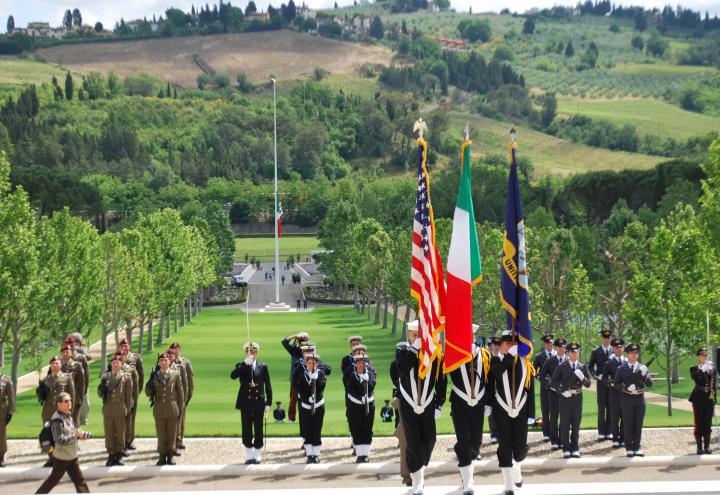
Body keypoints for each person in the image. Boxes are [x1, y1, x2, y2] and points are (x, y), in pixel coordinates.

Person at [395, 320, 447, 495]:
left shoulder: (434, 353)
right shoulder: (403, 350)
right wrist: (414, 349)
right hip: (409, 402)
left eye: (420, 335)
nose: (417, 337)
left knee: (430, 438)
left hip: (427, 402)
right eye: (414, 334)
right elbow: (401, 369)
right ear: (410, 335)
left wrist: (439, 404)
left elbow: (441, 380)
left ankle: (420, 466)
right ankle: (418, 480)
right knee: (413, 442)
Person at [448, 324, 493, 495]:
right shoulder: (454, 354)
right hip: (460, 404)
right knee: (464, 441)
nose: (470, 338)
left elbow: (489, 381)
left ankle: (468, 475)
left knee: (476, 442)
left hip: (479, 405)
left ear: (475, 337)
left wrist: (488, 402)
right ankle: (468, 481)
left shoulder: (485, 355)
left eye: (472, 336)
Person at [491, 331, 534, 495]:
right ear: (501, 346)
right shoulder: (496, 360)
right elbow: (497, 372)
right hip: (502, 410)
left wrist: (531, 413)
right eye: (507, 344)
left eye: (513, 344)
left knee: (520, 446)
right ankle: (508, 484)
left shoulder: (524, 363)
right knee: (505, 446)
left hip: (521, 410)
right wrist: (509, 356)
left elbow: (528, 389)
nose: (510, 346)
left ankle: (517, 468)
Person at [34, 392, 90, 494]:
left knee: (79, 480)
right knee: (53, 480)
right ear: (59, 404)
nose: (69, 403)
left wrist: (82, 435)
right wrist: (75, 435)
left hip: (71, 455)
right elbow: (59, 439)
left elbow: (71, 432)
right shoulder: (57, 420)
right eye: (66, 401)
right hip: (62, 457)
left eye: (70, 401)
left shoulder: (68, 416)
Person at [231, 341, 272, 464]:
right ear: (245, 352)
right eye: (249, 352)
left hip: (259, 402)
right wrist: (245, 364)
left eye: (254, 351)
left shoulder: (263, 367)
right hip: (246, 403)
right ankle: (249, 454)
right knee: (247, 429)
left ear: (257, 353)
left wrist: (268, 403)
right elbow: (233, 376)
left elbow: (268, 386)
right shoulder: (241, 365)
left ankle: (257, 453)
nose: (252, 354)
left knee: (258, 429)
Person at [550, 343, 591, 458]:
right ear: (568, 353)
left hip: (577, 397)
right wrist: (562, 391)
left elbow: (588, 384)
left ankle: (575, 448)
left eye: (576, 351)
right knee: (565, 423)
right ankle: (566, 448)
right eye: (572, 352)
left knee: (576, 423)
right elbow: (553, 382)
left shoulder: (582, 367)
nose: (574, 353)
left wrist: (583, 378)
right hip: (565, 398)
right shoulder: (562, 366)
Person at [145, 352, 185, 466]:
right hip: (159, 408)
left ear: (169, 362)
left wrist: (180, 407)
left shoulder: (175, 375)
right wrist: (150, 384)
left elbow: (180, 393)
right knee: (161, 433)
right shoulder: (155, 375)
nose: (163, 362)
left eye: (165, 360)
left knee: (172, 433)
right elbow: (148, 393)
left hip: (172, 407)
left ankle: (170, 455)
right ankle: (162, 455)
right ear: (159, 362)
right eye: (161, 360)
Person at [613, 343, 652, 457]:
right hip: (627, 398)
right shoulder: (622, 368)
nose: (634, 355)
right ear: (628, 354)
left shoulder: (642, 368)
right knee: (628, 423)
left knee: (638, 423)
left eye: (636, 353)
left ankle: (637, 447)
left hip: (639, 398)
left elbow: (650, 384)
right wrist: (625, 388)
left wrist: (644, 376)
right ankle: (629, 447)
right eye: (631, 353)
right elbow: (616, 384)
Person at [38, 356, 76, 467]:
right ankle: (51, 458)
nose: (55, 365)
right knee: (49, 436)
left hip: (62, 411)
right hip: (48, 411)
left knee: (62, 435)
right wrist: (40, 392)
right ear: (50, 365)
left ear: (60, 365)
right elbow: (42, 398)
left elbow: (71, 395)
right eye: (53, 363)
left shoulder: (67, 378)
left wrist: (70, 411)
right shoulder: (45, 380)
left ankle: (63, 459)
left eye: (57, 363)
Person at [98, 354, 133, 466]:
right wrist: (101, 389)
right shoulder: (106, 377)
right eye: (113, 363)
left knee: (120, 432)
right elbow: (100, 394)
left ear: (121, 364)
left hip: (120, 408)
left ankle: (119, 455)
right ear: (111, 364)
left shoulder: (126, 377)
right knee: (109, 433)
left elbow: (128, 395)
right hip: (108, 408)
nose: (115, 364)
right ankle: (111, 455)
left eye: (118, 363)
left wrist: (127, 409)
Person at [293, 351, 327, 463]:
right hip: (306, 406)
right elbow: (299, 389)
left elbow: (322, 387)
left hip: (318, 405)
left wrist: (315, 379)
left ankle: (315, 455)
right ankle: (309, 455)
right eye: (309, 363)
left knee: (316, 430)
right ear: (306, 363)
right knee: (307, 431)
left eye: (313, 363)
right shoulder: (302, 376)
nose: (311, 365)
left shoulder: (320, 374)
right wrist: (307, 398)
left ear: (316, 364)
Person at [344, 351, 376, 463]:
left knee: (367, 428)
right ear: (356, 364)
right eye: (359, 362)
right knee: (356, 428)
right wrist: (360, 395)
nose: (361, 364)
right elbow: (350, 389)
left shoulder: (371, 373)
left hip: (369, 404)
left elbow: (371, 387)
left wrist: (365, 379)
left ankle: (365, 454)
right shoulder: (352, 375)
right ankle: (359, 454)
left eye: (363, 362)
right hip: (355, 405)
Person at [539, 338, 566, 450]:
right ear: (556, 348)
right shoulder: (550, 361)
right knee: (554, 417)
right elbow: (542, 376)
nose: (561, 349)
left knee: (565, 417)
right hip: (553, 393)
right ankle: (555, 441)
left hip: (566, 394)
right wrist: (550, 384)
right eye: (559, 347)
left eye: (563, 347)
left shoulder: (569, 360)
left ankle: (563, 440)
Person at [117, 338, 143, 452]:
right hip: (119, 395)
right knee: (120, 419)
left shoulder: (136, 358)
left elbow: (141, 375)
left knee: (131, 418)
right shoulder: (116, 358)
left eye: (125, 345)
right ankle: (120, 441)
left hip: (132, 393)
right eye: (121, 346)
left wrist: (137, 392)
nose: (123, 347)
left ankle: (129, 440)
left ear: (130, 346)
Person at [588, 329, 613, 441]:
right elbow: (590, 366)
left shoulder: (614, 350)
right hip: (601, 383)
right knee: (601, 408)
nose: (607, 340)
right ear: (602, 338)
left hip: (612, 384)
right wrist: (595, 375)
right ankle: (601, 432)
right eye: (605, 338)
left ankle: (609, 432)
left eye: (608, 338)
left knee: (611, 408)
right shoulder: (596, 351)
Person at [689, 348, 715, 455]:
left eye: (706, 355)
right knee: (699, 422)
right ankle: (699, 447)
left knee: (708, 422)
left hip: (709, 397)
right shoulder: (694, 368)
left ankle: (707, 446)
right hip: (698, 398)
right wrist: (702, 369)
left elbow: (713, 382)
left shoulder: (712, 368)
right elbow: (695, 377)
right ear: (698, 357)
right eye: (703, 355)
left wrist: (710, 370)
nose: (705, 357)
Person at [390, 359, 411, 487]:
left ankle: (412, 476)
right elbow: (394, 403)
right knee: (405, 453)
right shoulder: (402, 387)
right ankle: (408, 477)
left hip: (410, 425)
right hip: (405, 426)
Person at [601, 338, 626, 448]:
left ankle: (623, 438)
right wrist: (610, 384)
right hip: (614, 393)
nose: (619, 349)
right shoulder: (609, 363)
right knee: (615, 417)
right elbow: (604, 378)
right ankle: (616, 439)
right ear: (613, 349)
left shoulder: (627, 362)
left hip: (626, 394)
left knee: (625, 416)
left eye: (620, 347)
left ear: (623, 348)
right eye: (616, 348)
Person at [169, 343, 193, 451]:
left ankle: (179, 440)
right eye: (173, 348)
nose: (174, 350)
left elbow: (189, 379)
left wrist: (188, 394)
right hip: (170, 396)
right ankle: (172, 441)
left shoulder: (185, 362)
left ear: (179, 350)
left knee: (181, 419)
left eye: (176, 348)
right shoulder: (167, 360)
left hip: (181, 394)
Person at [282, 332, 309, 423]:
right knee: (293, 399)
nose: (302, 343)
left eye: (304, 340)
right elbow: (284, 342)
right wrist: (295, 335)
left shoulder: (310, 351)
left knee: (306, 399)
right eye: (301, 340)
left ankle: (306, 418)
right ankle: (291, 418)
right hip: (295, 379)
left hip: (306, 379)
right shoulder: (294, 350)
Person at [532, 334, 554, 442]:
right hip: (545, 387)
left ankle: (555, 432)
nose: (550, 345)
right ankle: (546, 433)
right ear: (544, 344)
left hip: (556, 387)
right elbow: (533, 371)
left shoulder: (557, 355)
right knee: (545, 410)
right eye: (548, 343)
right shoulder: (540, 357)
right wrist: (541, 378)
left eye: (551, 343)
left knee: (556, 410)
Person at [64, 337, 89, 424]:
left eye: (72, 345)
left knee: (74, 421)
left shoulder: (81, 358)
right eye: (68, 345)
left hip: (76, 394)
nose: (70, 347)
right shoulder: (60, 360)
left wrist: (83, 393)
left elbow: (86, 377)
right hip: (63, 395)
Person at [59, 345, 86, 429]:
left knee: (73, 423)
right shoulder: (57, 366)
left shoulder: (77, 366)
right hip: (60, 400)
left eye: (67, 352)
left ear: (71, 353)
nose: (65, 354)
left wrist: (80, 399)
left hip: (74, 399)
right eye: (63, 352)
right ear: (61, 354)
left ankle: (74, 441)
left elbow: (81, 384)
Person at [0, 357, 16, 468]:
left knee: (1, 434)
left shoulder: (6, 380)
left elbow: (11, 398)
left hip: (1, 410)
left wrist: (10, 413)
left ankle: (0, 457)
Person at [487, 336, 502, 445]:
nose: (496, 347)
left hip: (501, 389)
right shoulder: (487, 358)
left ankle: (500, 433)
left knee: (501, 411)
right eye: (495, 344)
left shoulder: (503, 358)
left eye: (498, 345)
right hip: (490, 388)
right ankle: (493, 434)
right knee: (491, 411)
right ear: (491, 345)